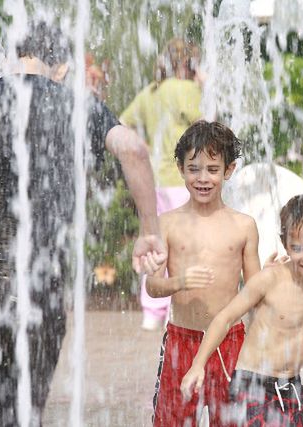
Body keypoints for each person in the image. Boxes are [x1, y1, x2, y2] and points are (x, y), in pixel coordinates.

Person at [0, 21, 166, 426]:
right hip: (41, 283)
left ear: (11, 59)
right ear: (62, 69)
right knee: (27, 411)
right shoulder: (77, 105)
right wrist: (149, 231)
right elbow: (133, 149)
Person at [180, 194, 303, 426]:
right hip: (253, 386)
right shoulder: (270, 280)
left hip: (291, 386)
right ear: (285, 244)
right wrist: (198, 365)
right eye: (297, 248)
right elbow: (225, 318)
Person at [143, 120, 262, 427]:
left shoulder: (243, 226)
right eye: (194, 169)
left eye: (212, 169)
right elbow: (153, 286)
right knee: (172, 420)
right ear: (181, 169)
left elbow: (254, 293)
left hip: (230, 342)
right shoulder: (167, 224)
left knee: (233, 420)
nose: (203, 178)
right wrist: (179, 282)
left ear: (229, 170)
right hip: (181, 340)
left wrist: (272, 278)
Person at [120, 37, 205, 331]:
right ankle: (180, 306)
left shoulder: (150, 91)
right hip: (182, 179)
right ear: (187, 64)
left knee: (156, 240)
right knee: (186, 244)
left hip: (155, 180)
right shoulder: (185, 89)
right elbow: (209, 126)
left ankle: (151, 310)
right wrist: (206, 88)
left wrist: (144, 149)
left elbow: (123, 123)